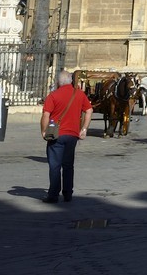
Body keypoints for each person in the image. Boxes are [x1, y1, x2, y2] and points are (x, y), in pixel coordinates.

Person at [41, 69, 93, 203]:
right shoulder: (79, 94)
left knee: (55, 166)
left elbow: (46, 115)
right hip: (72, 135)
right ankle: (68, 193)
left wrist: (43, 131)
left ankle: (53, 195)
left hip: (56, 134)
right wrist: (84, 129)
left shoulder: (53, 95)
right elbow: (89, 110)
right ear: (70, 81)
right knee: (69, 165)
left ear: (58, 81)